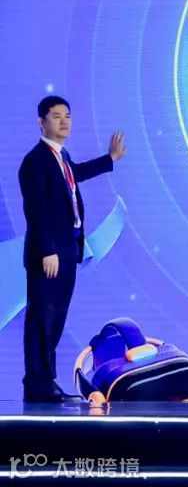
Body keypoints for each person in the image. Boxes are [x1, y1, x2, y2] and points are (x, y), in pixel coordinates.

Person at [19, 95, 127, 402]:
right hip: (49, 254)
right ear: (41, 122)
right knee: (42, 320)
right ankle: (38, 386)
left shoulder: (60, 156)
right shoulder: (36, 160)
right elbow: (35, 209)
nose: (64, 121)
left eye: (67, 115)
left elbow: (74, 174)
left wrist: (109, 159)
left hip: (67, 250)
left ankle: (46, 382)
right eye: (56, 116)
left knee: (55, 320)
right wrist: (47, 250)